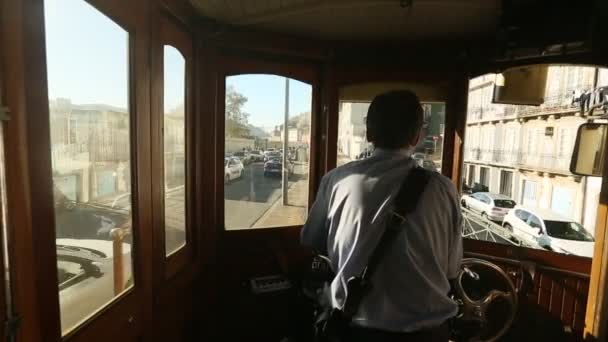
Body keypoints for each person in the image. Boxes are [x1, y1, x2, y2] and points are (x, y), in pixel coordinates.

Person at [301, 90, 462, 341]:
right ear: (417, 136)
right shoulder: (444, 189)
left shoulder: (336, 180)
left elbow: (312, 240)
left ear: (368, 133)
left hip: (353, 329)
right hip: (428, 334)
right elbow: (451, 270)